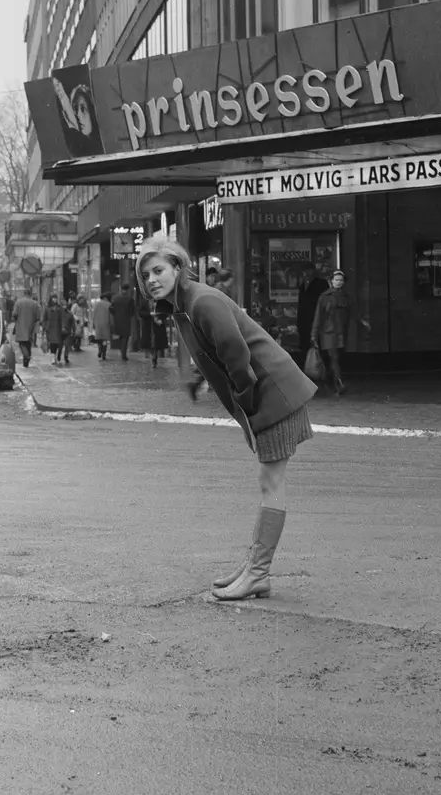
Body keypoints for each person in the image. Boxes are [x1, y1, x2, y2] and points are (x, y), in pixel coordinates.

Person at [138, 232, 315, 602]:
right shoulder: (185, 304)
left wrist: (245, 400)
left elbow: (237, 355)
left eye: (158, 270)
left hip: (272, 394)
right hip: (264, 396)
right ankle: (254, 567)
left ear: (177, 267)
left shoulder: (201, 301)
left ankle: (258, 573)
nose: (151, 280)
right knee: (268, 482)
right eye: (145, 275)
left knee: (272, 483)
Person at [310, 269, 369, 396]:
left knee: (336, 358)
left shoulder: (347, 297)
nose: (338, 282)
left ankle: (332, 382)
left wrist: (362, 321)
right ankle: (339, 383)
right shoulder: (324, 297)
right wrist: (313, 334)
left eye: (341, 280)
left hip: (341, 331)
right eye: (336, 280)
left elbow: (354, 312)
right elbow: (318, 316)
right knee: (334, 357)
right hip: (327, 332)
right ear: (331, 281)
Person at [296, 262, 328, 367]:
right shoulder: (302, 285)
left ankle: (321, 370)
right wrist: (299, 323)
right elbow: (301, 305)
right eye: (304, 271)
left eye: (308, 270)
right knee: (305, 346)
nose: (306, 273)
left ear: (313, 271)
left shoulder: (322, 284)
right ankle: (307, 369)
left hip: (317, 320)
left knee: (319, 347)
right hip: (305, 322)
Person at [11, 288, 42, 368]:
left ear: (23, 293)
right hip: (31, 326)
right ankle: (26, 362)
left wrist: (16, 319)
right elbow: (38, 316)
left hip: (21, 325)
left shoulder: (18, 302)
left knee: (22, 343)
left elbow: (14, 314)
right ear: (30, 294)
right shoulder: (35, 303)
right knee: (28, 343)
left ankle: (27, 356)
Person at [111, 283, 136, 360]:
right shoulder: (130, 299)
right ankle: (123, 354)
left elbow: (111, 309)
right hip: (126, 320)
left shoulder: (115, 298)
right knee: (125, 338)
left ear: (120, 289)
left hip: (117, 320)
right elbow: (133, 311)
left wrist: (115, 315)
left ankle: (121, 350)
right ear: (127, 290)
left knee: (119, 336)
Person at [43, 294, 65, 364]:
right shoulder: (47, 308)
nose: (55, 299)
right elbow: (44, 318)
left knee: (57, 343)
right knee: (52, 343)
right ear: (51, 298)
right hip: (50, 328)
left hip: (58, 328)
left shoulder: (59, 307)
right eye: (53, 298)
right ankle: (53, 357)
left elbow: (63, 317)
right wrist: (45, 327)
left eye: (56, 298)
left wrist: (63, 326)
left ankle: (54, 355)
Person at [92, 293, 114, 360]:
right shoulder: (109, 305)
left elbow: (94, 314)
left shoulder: (96, 304)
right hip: (106, 324)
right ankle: (104, 354)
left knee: (99, 339)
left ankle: (99, 350)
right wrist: (112, 324)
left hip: (98, 323)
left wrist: (93, 323)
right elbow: (111, 316)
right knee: (104, 340)